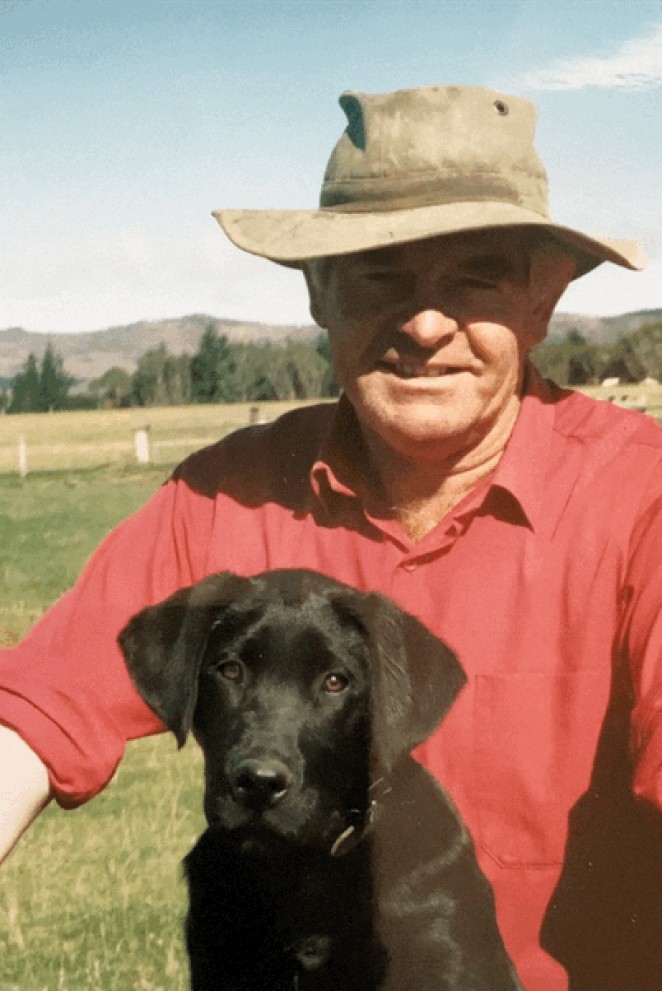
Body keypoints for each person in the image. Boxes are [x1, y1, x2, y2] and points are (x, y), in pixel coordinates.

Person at [1, 84, 661, 990]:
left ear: (542, 299)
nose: (426, 325)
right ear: (318, 292)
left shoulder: (643, 496)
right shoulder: (224, 492)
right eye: (382, 274)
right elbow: (29, 723)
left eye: (476, 275)